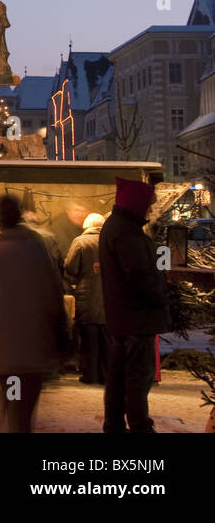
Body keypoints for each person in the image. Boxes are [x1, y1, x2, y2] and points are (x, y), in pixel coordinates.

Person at [0, 195, 65, 432]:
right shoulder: (37, 249)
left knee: (14, 409)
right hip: (35, 348)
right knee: (22, 411)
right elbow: (53, 295)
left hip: (6, 352)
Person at [100, 178, 170, 433]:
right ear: (136, 204)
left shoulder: (118, 227)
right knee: (137, 378)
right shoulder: (127, 232)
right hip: (137, 318)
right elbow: (140, 276)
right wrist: (160, 296)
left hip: (124, 317)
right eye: (148, 205)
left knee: (119, 377)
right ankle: (139, 425)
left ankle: (115, 424)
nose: (150, 210)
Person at [64, 212, 107, 385]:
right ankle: (105, 375)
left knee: (89, 339)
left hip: (86, 296)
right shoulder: (109, 242)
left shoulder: (80, 242)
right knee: (106, 339)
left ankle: (90, 375)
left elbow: (71, 267)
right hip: (107, 297)